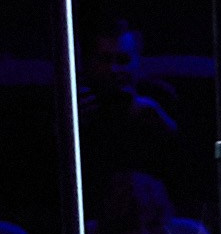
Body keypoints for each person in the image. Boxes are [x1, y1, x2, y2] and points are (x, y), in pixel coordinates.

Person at [78, 20, 187, 198]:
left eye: (123, 60)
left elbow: (190, 172)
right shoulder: (78, 102)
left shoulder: (160, 97)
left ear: (137, 61)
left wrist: (162, 123)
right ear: (89, 62)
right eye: (105, 60)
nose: (113, 69)